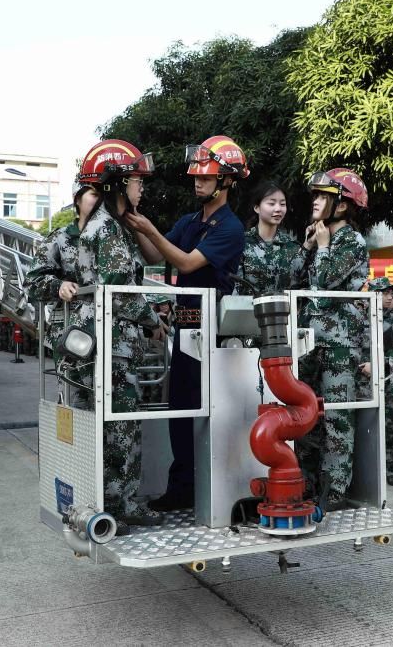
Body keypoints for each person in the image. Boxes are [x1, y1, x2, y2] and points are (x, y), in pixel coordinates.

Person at [125, 135, 248, 511]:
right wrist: (134, 222)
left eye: (206, 178)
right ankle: (182, 488)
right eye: (196, 177)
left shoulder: (230, 228)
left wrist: (150, 229)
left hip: (214, 329)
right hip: (187, 326)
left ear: (226, 181)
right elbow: (154, 254)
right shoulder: (189, 222)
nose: (198, 183)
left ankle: (212, 486)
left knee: (211, 410)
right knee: (180, 408)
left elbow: (187, 262)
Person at [74, 139, 165, 527]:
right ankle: (114, 506)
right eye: (137, 181)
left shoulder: (115, 226)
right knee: (118, 429)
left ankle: (123, 502)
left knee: (120, 425)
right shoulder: (107, 229)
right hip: (109, 346)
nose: (142, 188)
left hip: (111, 344)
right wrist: (154, 321)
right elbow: (120, 291)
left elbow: (152, 259)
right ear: (119, 184)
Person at [292, 167, 370, 509]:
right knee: (307, 415)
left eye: (323, 196)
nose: (315, 201)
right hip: (309, 340)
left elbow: (325, 282)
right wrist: (308, 245)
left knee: (337, 417)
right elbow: (292, 280)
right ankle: (308, 483)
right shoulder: (318, 238)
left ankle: (335, 490)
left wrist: (322, 247)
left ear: (341, 205)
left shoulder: (352, 241)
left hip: (339, 344)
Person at [28, 182, 97, 407]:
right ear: (78, 199)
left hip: (111, 333)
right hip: (72, 336)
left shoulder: (116, 237)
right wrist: (59, 285)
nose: (100, 201)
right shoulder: (60, 238)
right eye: (94, 194)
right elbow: (32, 282)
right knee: (75, 403)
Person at [368, 277, 393, 485]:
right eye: (383, 293)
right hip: (364, 379)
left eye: (390, 293)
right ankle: (368, 466)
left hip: (390, 379)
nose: (389, 297)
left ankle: (390, 467)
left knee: (390, 426)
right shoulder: (361, 318)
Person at [236, 180, 302, 296]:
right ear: (257, 207)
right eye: (271, 204)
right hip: (247, 307)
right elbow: (234, 288)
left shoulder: (294, 247)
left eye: (282, 204)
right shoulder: (241, 243)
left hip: (285, 307)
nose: (278, 209)